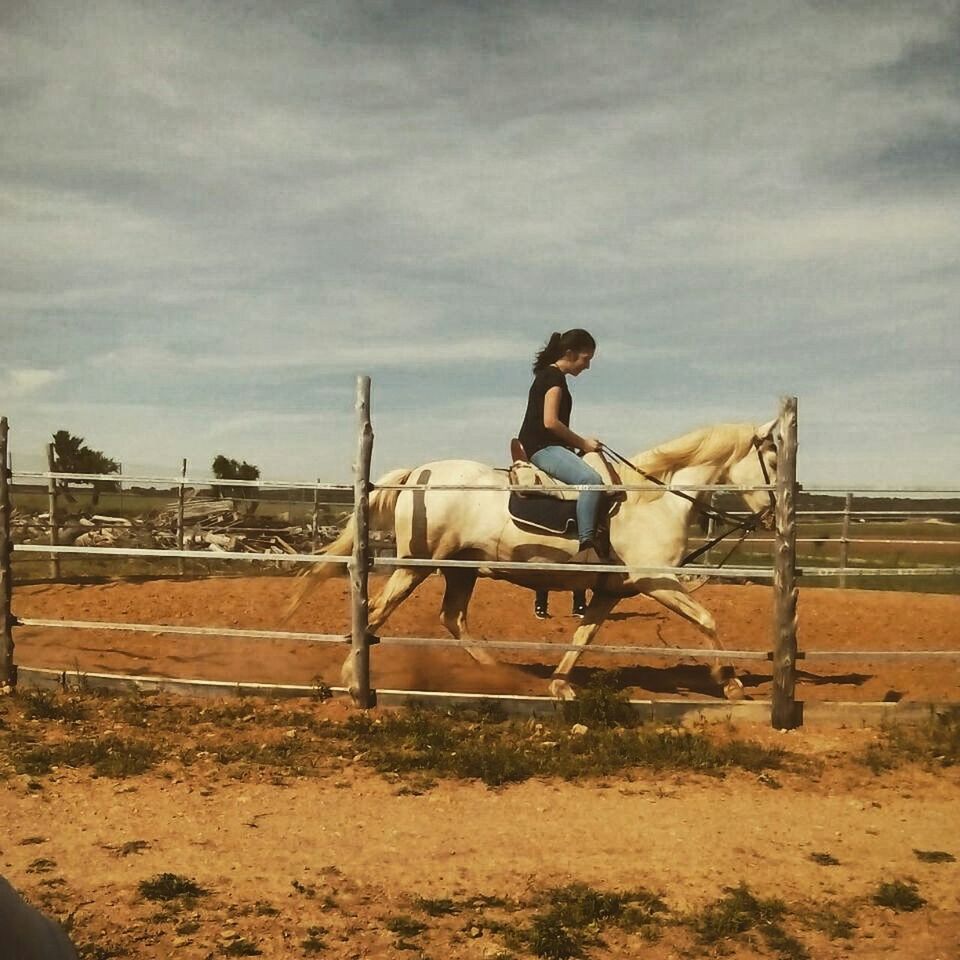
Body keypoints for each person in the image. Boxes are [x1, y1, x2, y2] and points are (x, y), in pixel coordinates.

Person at [518, 329, 609, 559]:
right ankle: (587, 545)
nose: (587, 366)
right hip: (542, 447)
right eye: (585, 359)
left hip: (544, 444)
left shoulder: (549, 376)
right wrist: (584, 443)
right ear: (569, 353)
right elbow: (550, 422)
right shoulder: (554, 378)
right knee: (591, 481)